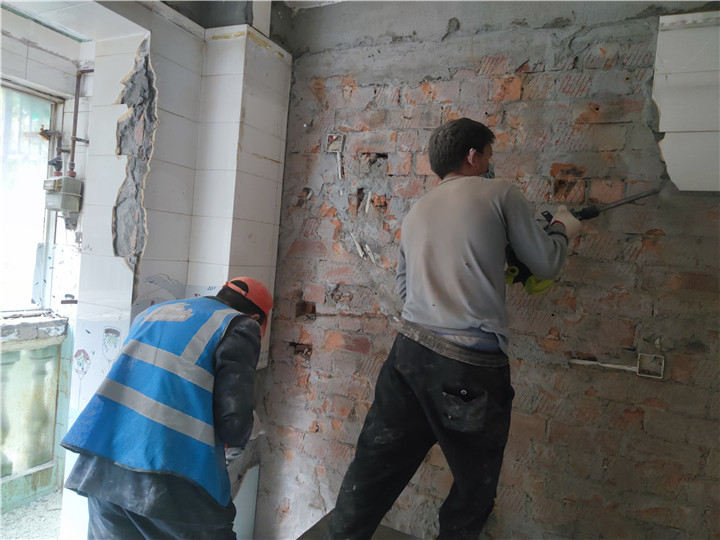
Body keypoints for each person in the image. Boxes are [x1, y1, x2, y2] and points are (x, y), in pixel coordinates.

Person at [327, 118, 582, 539]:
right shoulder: (501, 193)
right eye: (489, 155)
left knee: (372, 473)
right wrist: (560, 229)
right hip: (469, 368)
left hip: (408, 357)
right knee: (472, 492)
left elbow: (405, 289)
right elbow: (546, 263)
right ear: (473, 156)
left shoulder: (416, 211)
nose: (491, 164)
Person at [61, 277, 273, 540]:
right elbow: (233, 425)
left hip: (104, 467)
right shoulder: (240, 325)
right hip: (171, 475)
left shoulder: (155, 312)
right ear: (256, 318)